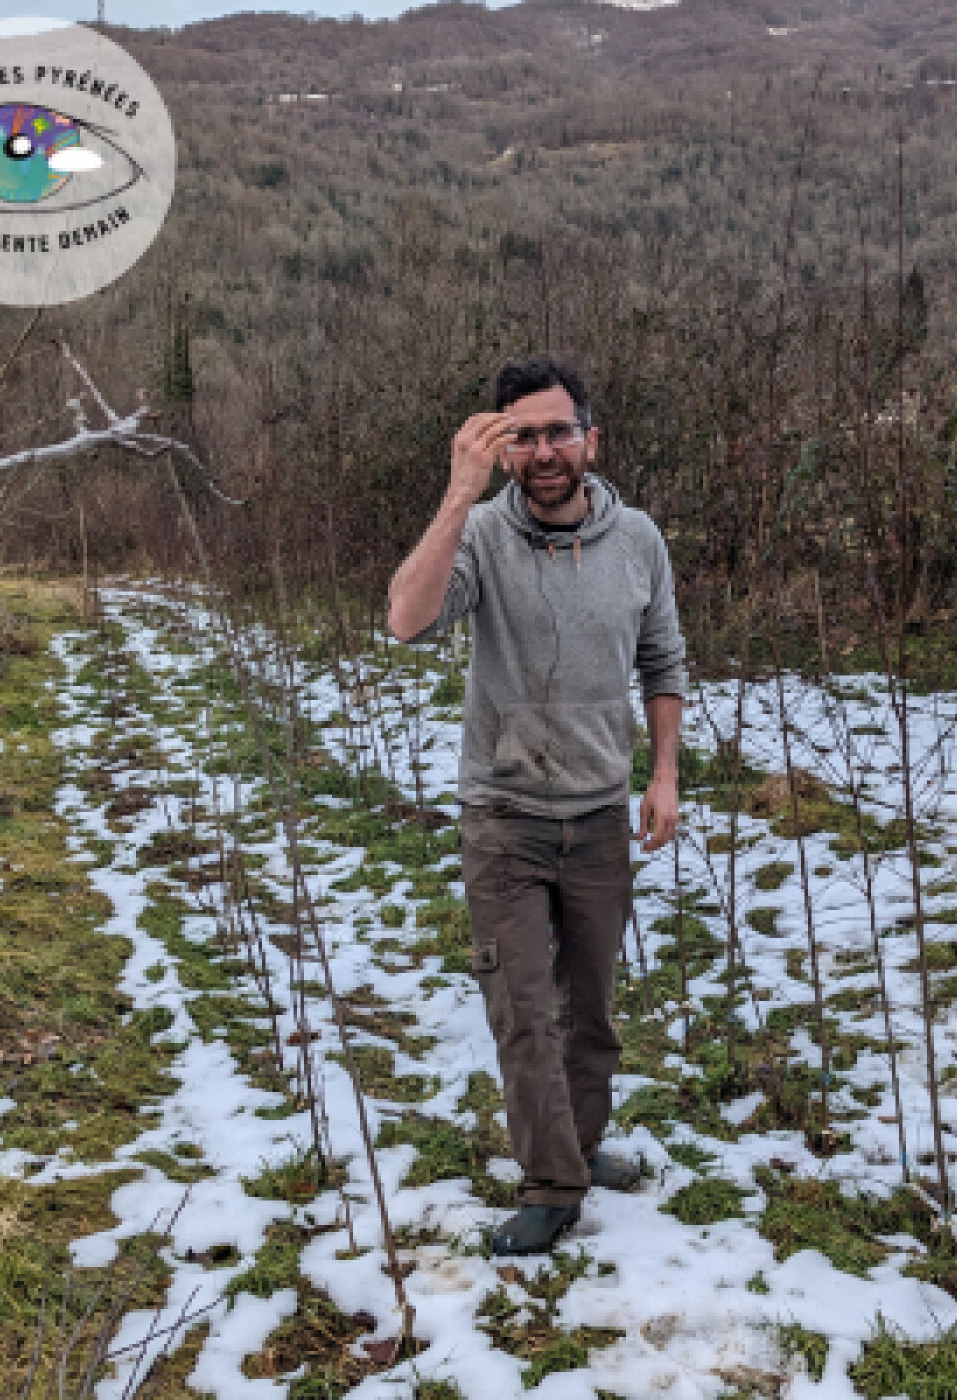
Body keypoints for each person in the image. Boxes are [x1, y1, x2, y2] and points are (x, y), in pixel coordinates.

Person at [386, 355, 687, 1255]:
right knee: (523, 1006)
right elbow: (406, 621)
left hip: (598, 816)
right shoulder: (478, 533)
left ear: (592, 440)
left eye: (560, 431)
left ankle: (581, 1148)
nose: (546, 450)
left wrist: (663, 775)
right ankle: (551, 1186)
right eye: (524, 435)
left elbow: (663, 663)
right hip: (504, 819)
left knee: (590, 1009)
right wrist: (456, 493)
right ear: (502, 447)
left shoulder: (639, 542)